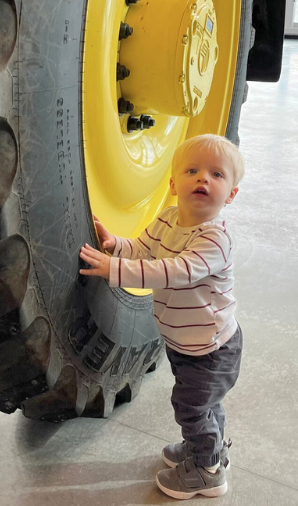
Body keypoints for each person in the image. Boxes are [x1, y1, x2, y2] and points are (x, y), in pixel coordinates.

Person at [79, 134, 245, 500]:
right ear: (173, 184)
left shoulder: (216, 240)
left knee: (191, 407)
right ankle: (210, 450)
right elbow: (142, 249)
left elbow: (173, 271)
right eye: (192, 170)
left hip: (212, 349)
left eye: (217, 175)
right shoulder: (169, 218)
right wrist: (116, 246)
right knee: (205, 405)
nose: (203, 178)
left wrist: (114, 269)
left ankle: (206, 472)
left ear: (231, 194)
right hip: (186, 342)